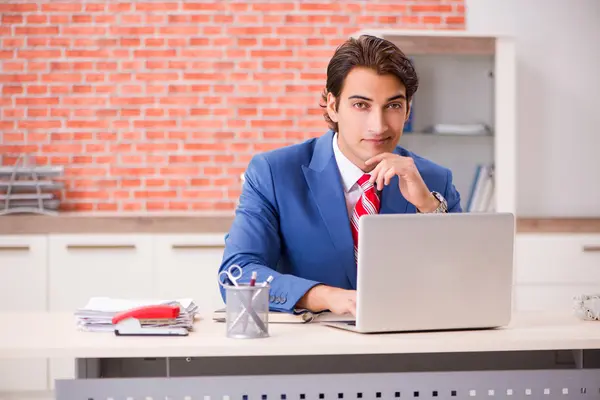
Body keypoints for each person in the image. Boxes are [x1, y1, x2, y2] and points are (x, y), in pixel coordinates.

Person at [218, 35, 462, 317]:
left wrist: (428, 208)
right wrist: (325, 296)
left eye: (393, 106)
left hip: (408, 345)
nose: (378, 125)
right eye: (361, 105)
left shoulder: (434, 180)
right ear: (333, 106)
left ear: (407, 109)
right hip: (310, 348)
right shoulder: (274, 173)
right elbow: (237, 274)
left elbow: (463, 279)